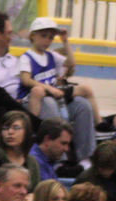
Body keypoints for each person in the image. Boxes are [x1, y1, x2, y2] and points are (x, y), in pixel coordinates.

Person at [17, 17, 97, 162]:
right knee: (49, 102)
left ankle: (85, 156)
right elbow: (26, 80)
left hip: (53, 97)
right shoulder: (26, 57)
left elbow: (71, 64)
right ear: (33, 35)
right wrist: (48, 88)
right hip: (34, 100)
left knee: (82, 105)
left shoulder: (51, 56)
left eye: (51, 37)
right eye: (43, 36)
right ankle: (60, 157)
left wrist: (65, 41)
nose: (47, 40)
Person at [30, 119, 73, 184]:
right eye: (63, 143)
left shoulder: (48, 160)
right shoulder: (35, 162)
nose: (66, 149)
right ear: (47, 139)